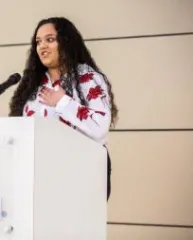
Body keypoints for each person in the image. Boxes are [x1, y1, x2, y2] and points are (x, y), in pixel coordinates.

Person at [9, 17, 118, 201]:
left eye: (50, 39)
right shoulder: (31, 86)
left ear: (66, 42)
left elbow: (100, 127)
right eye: (38, 42)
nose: (42, 46)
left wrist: (63, 102)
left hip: (83, 174)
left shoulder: (87, 78)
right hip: (42, 176)